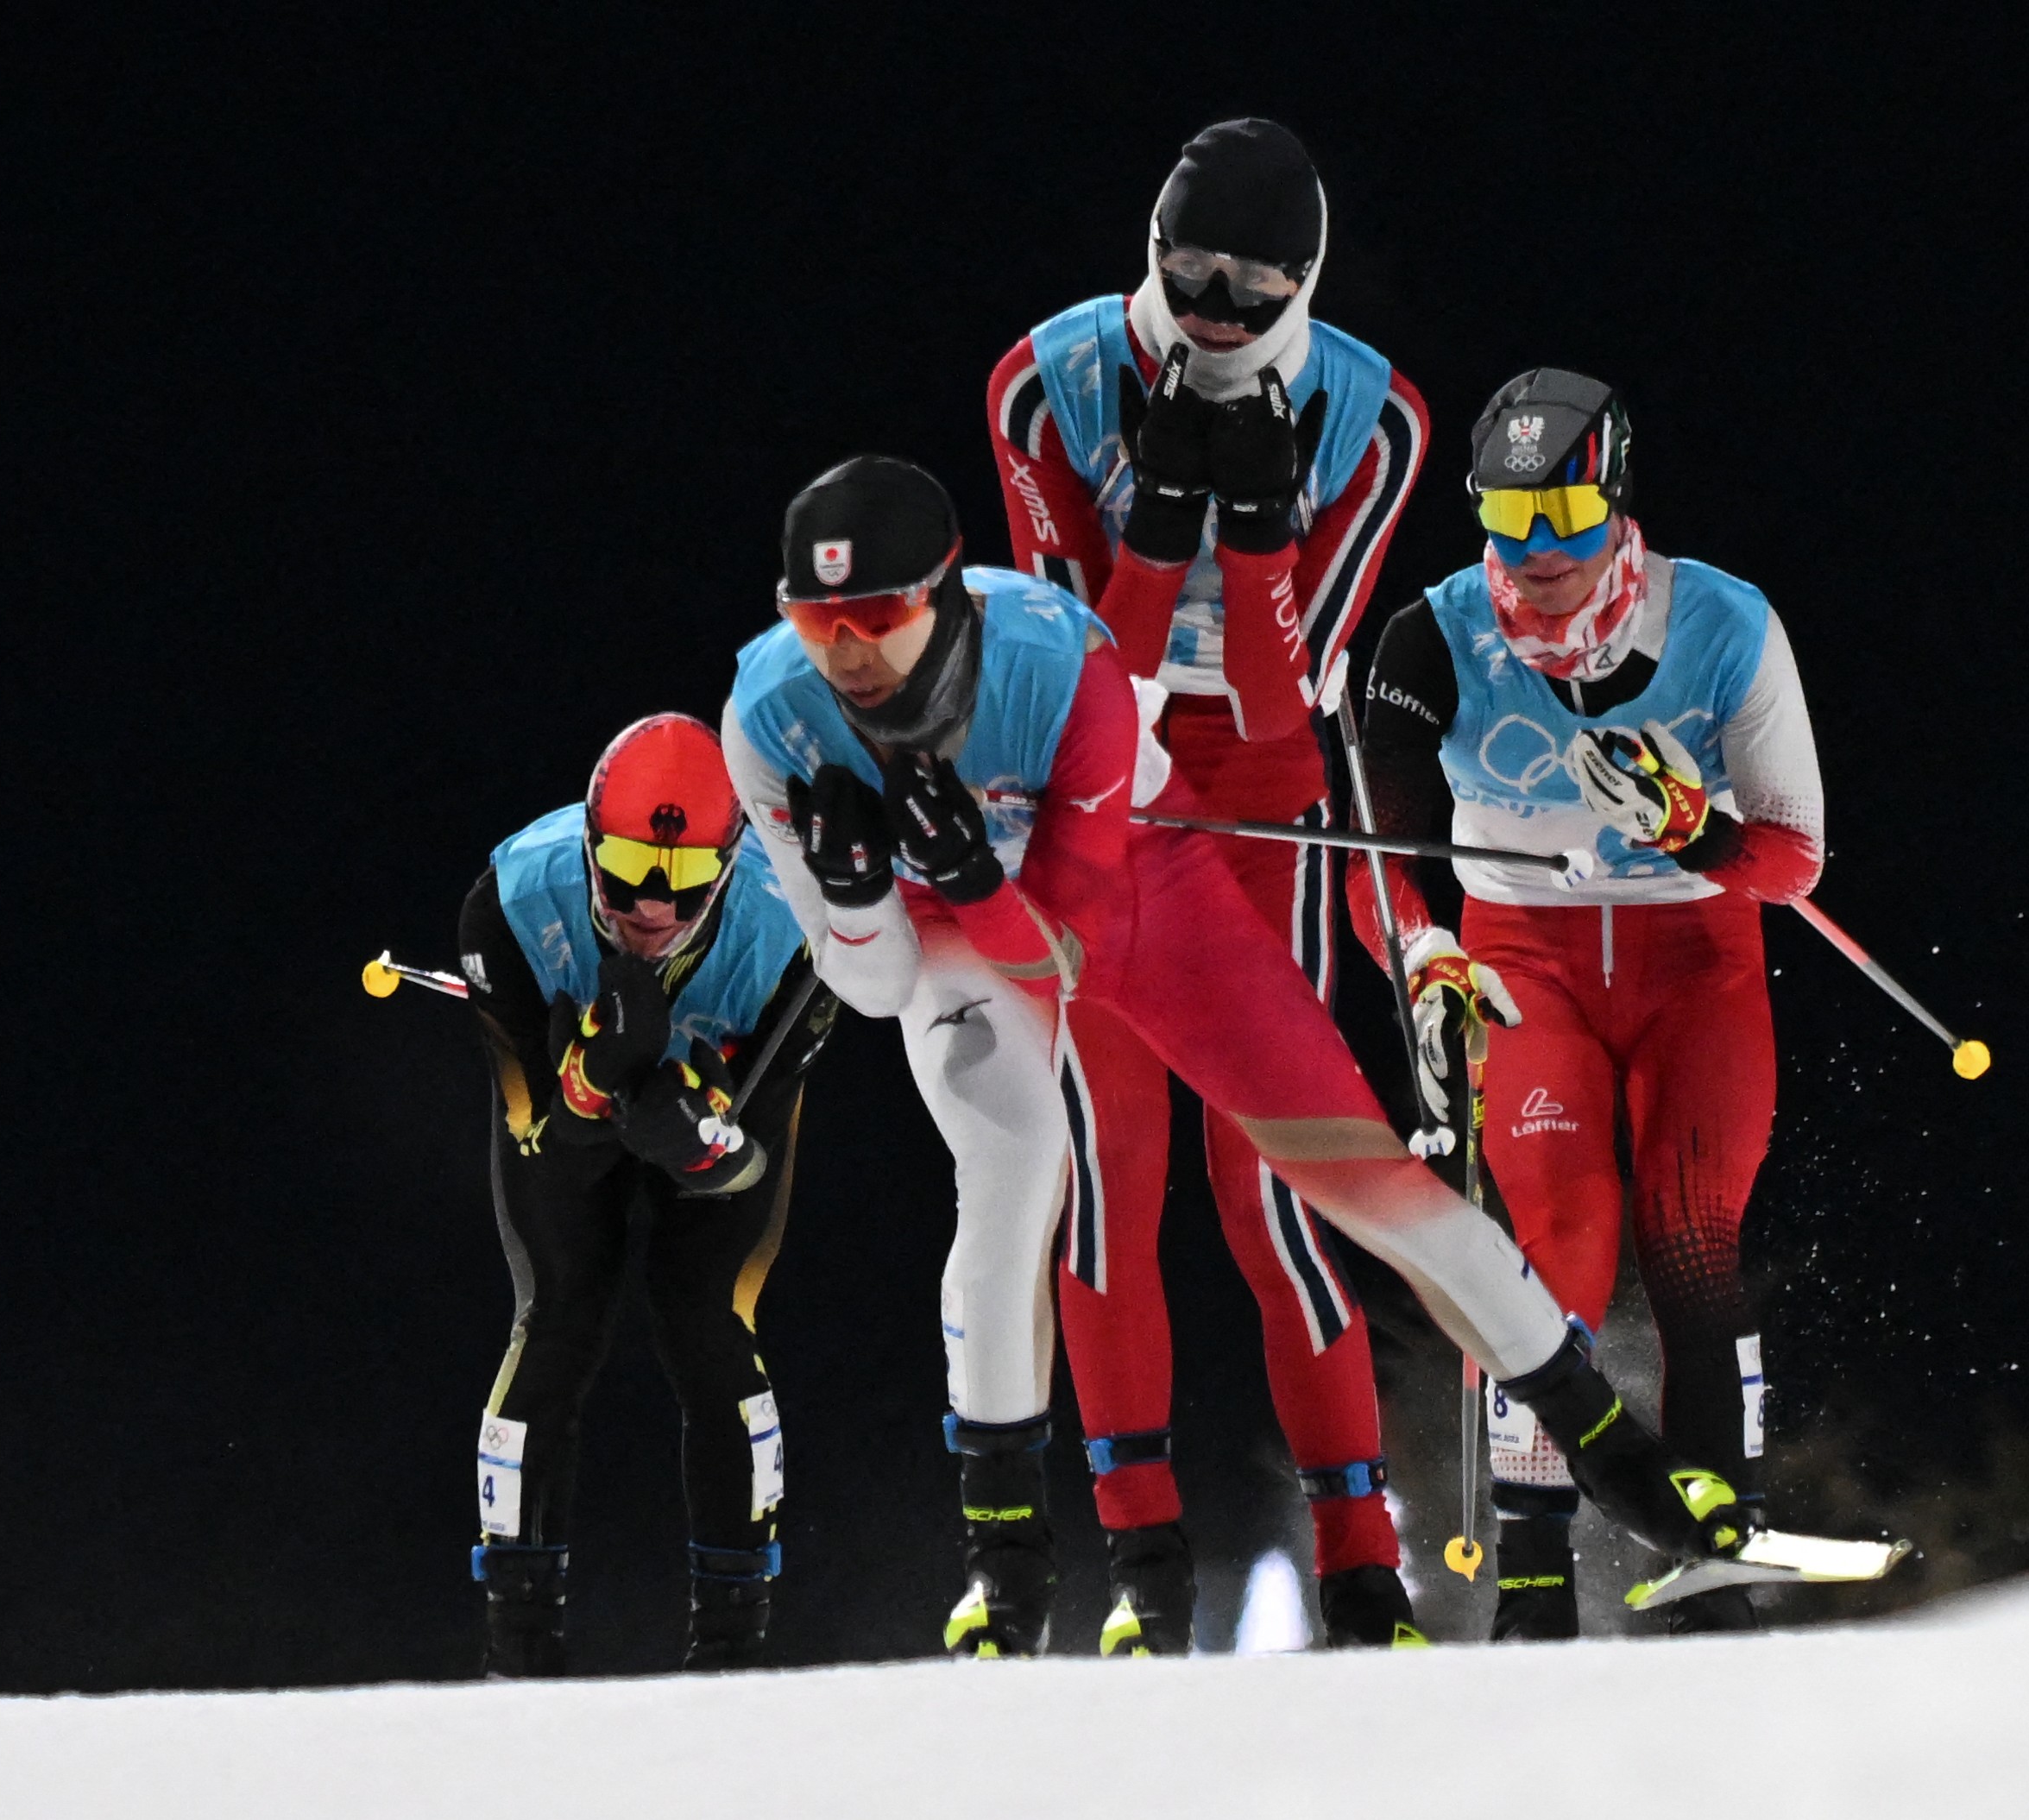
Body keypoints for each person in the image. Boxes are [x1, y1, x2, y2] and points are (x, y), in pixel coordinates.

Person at [724, 453, 1769, 1660]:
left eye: (878, 616)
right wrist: (860, 901)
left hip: (1134, 900)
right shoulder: (765, 717)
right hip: (959, 943)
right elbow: (874, 983)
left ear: (943, 590)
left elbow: (1071, 943)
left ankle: (1625, 1466)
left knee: (1370, 1185)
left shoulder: (1060, 661)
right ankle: (1005, 1570)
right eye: (817, 620)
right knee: (1011, 1183)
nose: (847, 652)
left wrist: (965, 871)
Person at [986, 117, 1430, 1653]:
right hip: (1098, 783)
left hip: (1254, 799)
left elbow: (1271, 701)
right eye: (1189, 272)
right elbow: (1070, 668)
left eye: (1253, 284)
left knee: (1279, 1182)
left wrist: (1248, 541)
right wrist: (1162, 510)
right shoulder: (1041, 381)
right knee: (1112, 1171)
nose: (1215, 309)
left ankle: (1361, 1565)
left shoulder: (1375, 419)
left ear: (1303, 282)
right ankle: (1143, 1571)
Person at [1351, 369, 1827, 1639]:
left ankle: (1725, 1534)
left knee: (1689, 1230)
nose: (1537, 550)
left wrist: (1695, 827)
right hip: (1526, 963)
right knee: (1550, 1238)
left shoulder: (1725, 625)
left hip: (1694, 965)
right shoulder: (1430, 639)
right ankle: (1534, 1577)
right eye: (1509, 517)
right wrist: (1425, 953)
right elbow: (1385, 868)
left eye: (1565, 510)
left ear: (1617, 497)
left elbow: (1792, 863)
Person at [457, 713, 838, 1677]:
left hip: (710, 1113)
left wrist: (703, 1142)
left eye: (680, 879)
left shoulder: (799, 930)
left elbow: (754, 1159)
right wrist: (589, 1084)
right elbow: (542, 1147)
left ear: (732, 860)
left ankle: (733, 1650)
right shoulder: (507, 903)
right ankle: (516, 1652)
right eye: (624, 866)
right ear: (588, 845)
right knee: (555, 1320)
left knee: (707, 1321)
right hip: (572, 1113)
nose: (649, 907)